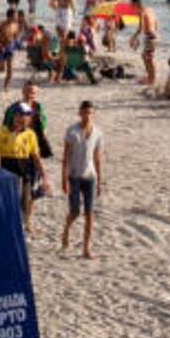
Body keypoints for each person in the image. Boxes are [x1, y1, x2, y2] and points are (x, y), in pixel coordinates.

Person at [0, 105, 48, 235]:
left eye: (26, 116)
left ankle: (26, 222)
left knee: (26, 197)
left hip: (25, 166)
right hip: (8, 165)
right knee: (10, 197)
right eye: (20, 115)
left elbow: (35, 155)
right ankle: (9, 223)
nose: (22, 119)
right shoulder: (2, 132)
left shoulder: (30, 134)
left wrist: (44, 175)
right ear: (13, 116)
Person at [61, 100, 104, 260]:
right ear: (79, 113)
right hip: (74, 176)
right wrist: (63, 179)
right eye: (84, 112)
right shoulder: (72, 131)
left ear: (93, 114)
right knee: (74, 211)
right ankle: (66, 231)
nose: (87, 116)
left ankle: (86, 248)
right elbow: (65, 157)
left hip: (90, 176)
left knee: (90, 213)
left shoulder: (98, 133)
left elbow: (97, 158)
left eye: (90, 113)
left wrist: (100, 180)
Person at [130, 0, 159, 85]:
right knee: (145, 57)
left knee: (148, 59)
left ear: (136, 3)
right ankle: (150, 77)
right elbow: (156, 22)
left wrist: (133, 37)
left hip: (150, 37)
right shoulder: (150, 10)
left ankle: (152, 80)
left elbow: (140, 28)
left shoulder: (141, 12)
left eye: (132, 5)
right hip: (154, 35)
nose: (132, 7)